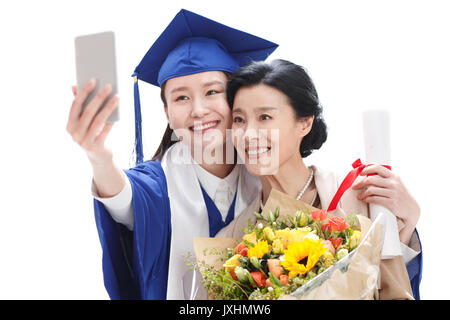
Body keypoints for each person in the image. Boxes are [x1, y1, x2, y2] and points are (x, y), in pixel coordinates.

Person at [66, 9, 278, 299]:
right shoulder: (158, 181)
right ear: (167, 112)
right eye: (181, 97)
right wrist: (98, 155)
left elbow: (311, 194)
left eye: (213, 91)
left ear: (236, 98)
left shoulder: (265, 172)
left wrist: (361, 192)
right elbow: (125, 199)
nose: (199, 110)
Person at [216, 59, 422, 299]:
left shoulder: (360, 197)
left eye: (264, 117)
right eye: (240, 120)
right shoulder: (231, 242)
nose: (248, 134)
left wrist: (407, 226)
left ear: (304, 122)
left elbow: (395, 290)